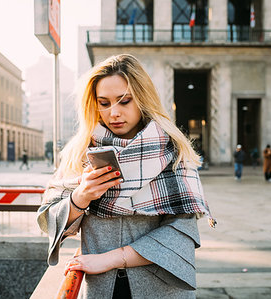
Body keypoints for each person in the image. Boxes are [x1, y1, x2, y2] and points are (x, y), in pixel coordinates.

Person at [37, 54, 216, 298]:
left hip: (161, 287)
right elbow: (47, 220)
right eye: (104, 102)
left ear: (142, 98)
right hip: (101, 288)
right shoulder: (79, 151)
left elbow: (182, 232)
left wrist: (110, 259)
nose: (114, 113)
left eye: (124, 101)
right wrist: (80, 197)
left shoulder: (172, 149)